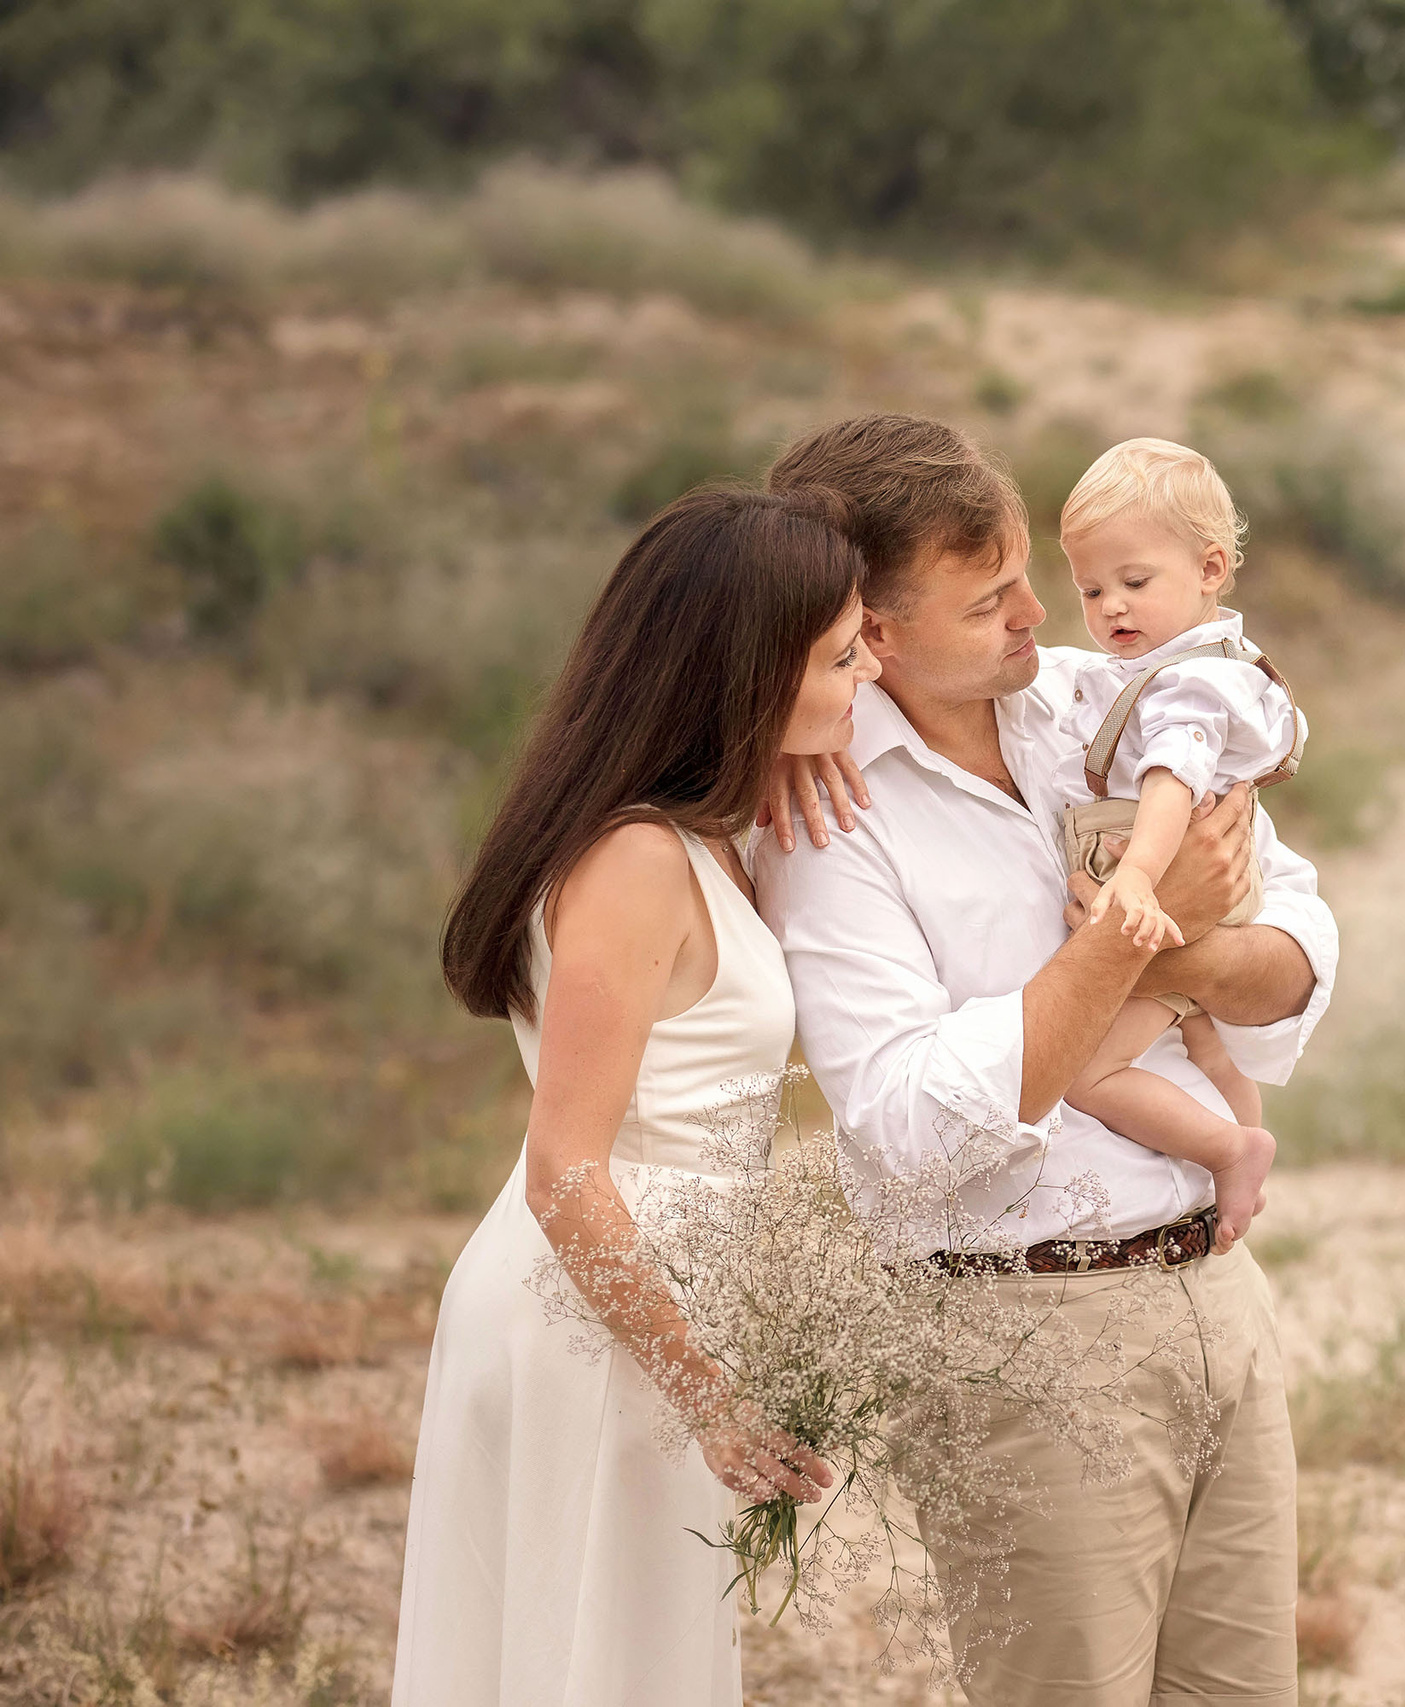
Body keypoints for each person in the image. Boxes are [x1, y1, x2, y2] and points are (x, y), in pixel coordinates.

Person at [755, 413, 1334, 1702]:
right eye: (987, 600)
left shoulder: (1098, 701)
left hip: (1220, 1293)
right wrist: (1135, 942)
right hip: (1022, 1342)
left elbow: (1299, 951)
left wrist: (1179, 950)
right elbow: (909, 1131)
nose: (1039, 615)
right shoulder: (827, 817)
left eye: (1029, 576)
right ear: (874, 631)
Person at [394, 487, 873, 1707]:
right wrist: (711, 1394)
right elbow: (565, 1165)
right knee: (589, 1666)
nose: (868, 671)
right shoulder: (637, 860)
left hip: (654, 1297)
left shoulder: (704, 839)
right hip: (600, 1310)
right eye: (839, 656)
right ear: (748, 674)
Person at [1051, 437, 1306, 1250]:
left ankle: (1231, 1149)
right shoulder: (1196, 662)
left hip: (1170, 881)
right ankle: (1245, 1151)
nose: (1111, 607)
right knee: (1205, 1041)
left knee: (1087, 1071)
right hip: (1198, 882)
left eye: (1135, 582)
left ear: (1209, 568)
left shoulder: (1191, 680)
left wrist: (1137, 876)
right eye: (1092, 589)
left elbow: (1172, 776)